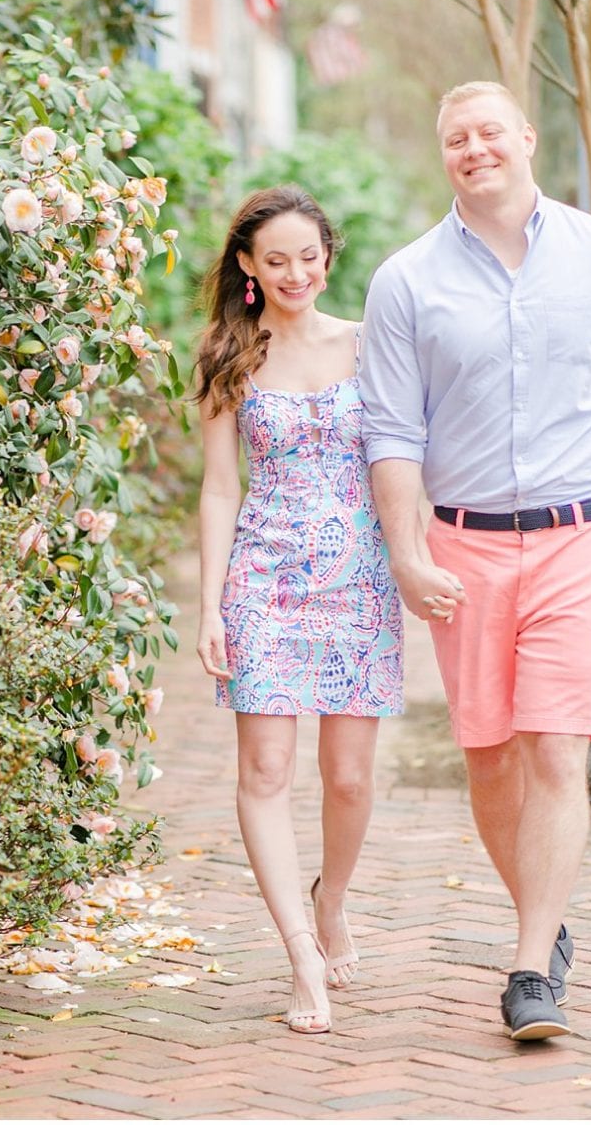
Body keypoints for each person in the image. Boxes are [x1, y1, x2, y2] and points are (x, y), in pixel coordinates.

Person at [359, 81, 591, 1041]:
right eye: (457, 138)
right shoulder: (406, 282)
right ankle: (544, 926)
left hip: (584, 537)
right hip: (463, 545)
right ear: (445, 155)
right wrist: (406, 552)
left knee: (554, 746)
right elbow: (391, 431)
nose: (475, 149)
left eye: (490, 132)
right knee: (490, 760)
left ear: (527, 139)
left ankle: (527, 969)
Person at [195, 186, 405, 1036]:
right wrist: (209, 605)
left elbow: (409, 460)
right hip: (265, 582)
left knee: (349, 778)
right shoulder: (226, 355)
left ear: (329, 255)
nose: (294, 274)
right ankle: (300, 957)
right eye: (275, 259)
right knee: (266, 775)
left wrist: (419, 556)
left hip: (359, 580)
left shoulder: (369, 344)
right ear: (248, 264)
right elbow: (218, 489)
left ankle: (332, 898)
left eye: (308, 257)